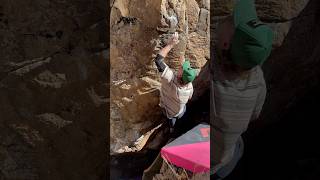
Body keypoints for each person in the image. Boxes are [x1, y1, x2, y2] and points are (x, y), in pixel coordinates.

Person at [211, 0, 273, 179]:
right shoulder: (257, 78)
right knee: (236, 145)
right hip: (228, 160)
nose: (228, 17)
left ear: (225, 45)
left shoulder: (214, 77)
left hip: (209, 163)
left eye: (232, 21)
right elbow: (255, 114)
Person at [154, 32, 198, 133]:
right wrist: (183, 66)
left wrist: (171, 44)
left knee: (172, 123)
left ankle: (172, 131)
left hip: (170, 113)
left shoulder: (170, 80)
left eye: (181, 68)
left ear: (179, 74)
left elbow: (158, 61)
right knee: (181, 119)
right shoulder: (189, 85)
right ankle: (179, 129)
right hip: (181, 111)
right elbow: (190, 96)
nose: (181, 66)